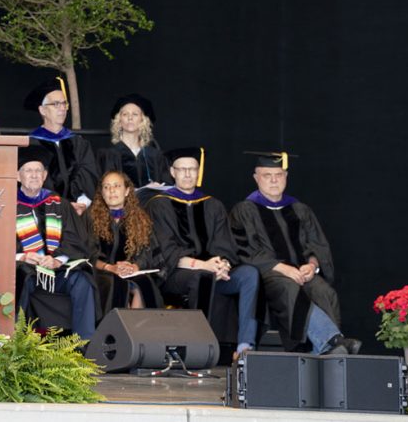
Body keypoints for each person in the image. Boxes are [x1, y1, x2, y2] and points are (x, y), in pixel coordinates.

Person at [229, 151, 360, 355]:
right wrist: (283, 268)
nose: (273, 180)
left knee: (324, 291)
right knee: (289, 288)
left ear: (286, 177)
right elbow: (244, 249)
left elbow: (316, 245)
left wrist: (312, 266)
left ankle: (326, 352)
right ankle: (333, 341)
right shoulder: (245, 210)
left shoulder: (299, 209)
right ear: (256, 178)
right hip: (269, 274)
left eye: (279, 175)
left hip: (301, 271)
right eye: (267, 175)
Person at [146, 147, 259, 359]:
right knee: (201, 278)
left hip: (213, 272)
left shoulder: (212, 205)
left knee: (249, 274)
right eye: (182, 170)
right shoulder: (159, 205)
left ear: (199, 172)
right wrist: (204, 266)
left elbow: (224, 243)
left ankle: (245, 346)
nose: (188, 174)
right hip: (176, 274)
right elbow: (166, 250)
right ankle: (198, 349)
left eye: (193, 169)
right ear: (172, 172)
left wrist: (222, 264)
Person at [14, 145, 95, 340]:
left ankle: (82, 347)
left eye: (38, 171)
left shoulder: (59, 203)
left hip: (56, 271)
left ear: (45, 175)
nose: (34, 175)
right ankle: (15, 344)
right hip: (27, 270)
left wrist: (58, 260)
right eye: (28, 170)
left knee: (82, 280)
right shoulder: (8, 203)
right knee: (22, 274)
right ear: (18, 176)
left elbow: (76, 239)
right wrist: (23, 256)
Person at [87, 171, 162, 311]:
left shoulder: (140, 219)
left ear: (127, 191)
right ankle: (119, 330)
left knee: (143, 284)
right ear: (102, 194)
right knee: (118, 286)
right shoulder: (90, 218)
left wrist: (135, 267)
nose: (111, 190)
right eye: (106, 187)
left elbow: (147, 253)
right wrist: (109, 267)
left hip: (130, 271)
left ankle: (136, 330)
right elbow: (86, 253)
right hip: (100, 272)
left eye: (117, 186)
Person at [23, 78, 99, 215]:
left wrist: (81, 203)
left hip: (78, 212)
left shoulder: (79, 143)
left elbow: (89, 176)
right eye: (56, 104)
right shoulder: (31, 144)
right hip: (43, 212)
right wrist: (60, 205)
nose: (62, 108)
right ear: (43, 110)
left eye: (64, 103)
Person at [95, 94, 170, 203]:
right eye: (125, 114)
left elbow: (166, 184)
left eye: (135, 114)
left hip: (151, 210)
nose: (130, 117)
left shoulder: (155, 155)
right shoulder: (108, 155)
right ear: (119, 120)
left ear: (143, 120)